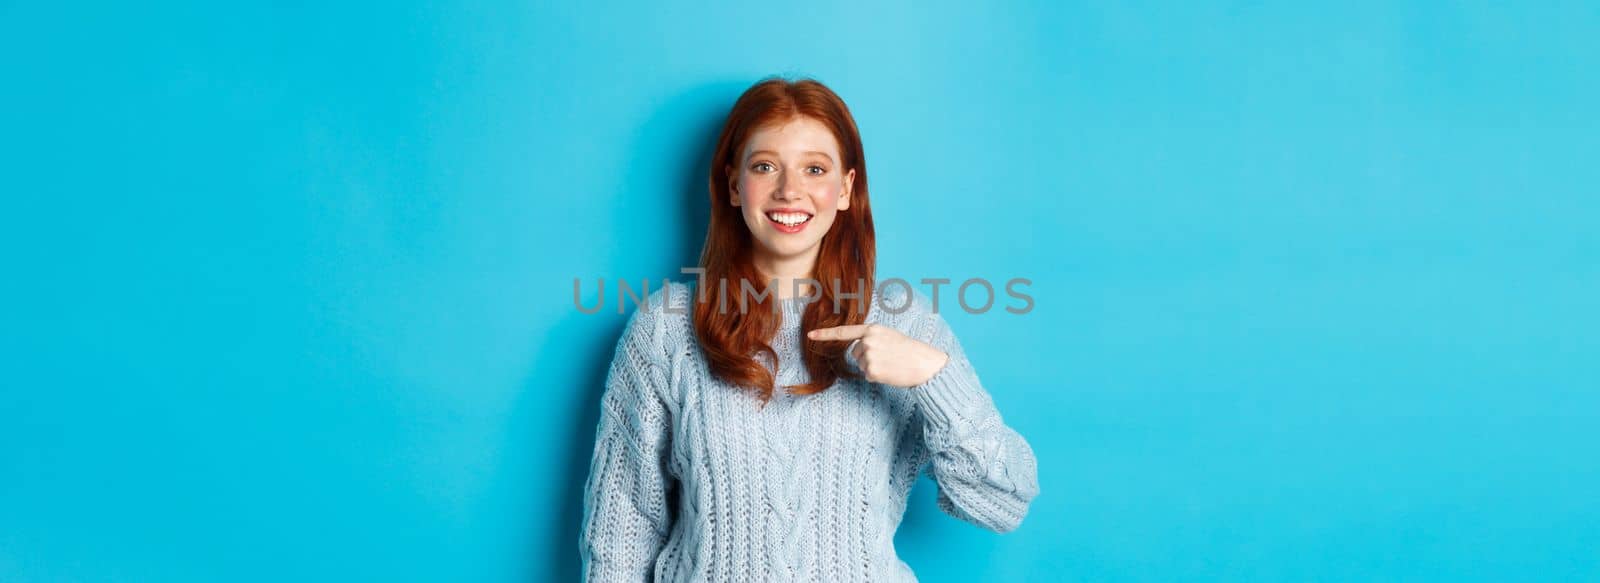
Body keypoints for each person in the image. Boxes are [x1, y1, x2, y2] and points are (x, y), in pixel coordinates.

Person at [579, 77, 1039, 582]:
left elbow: (1002, 504)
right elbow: (620, 535)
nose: (789, 190)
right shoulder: (666, 328)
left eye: (814, 169)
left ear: (845, 189)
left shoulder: (903, 322)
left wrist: (935, 378)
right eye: (765, 166)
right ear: (734, 185)